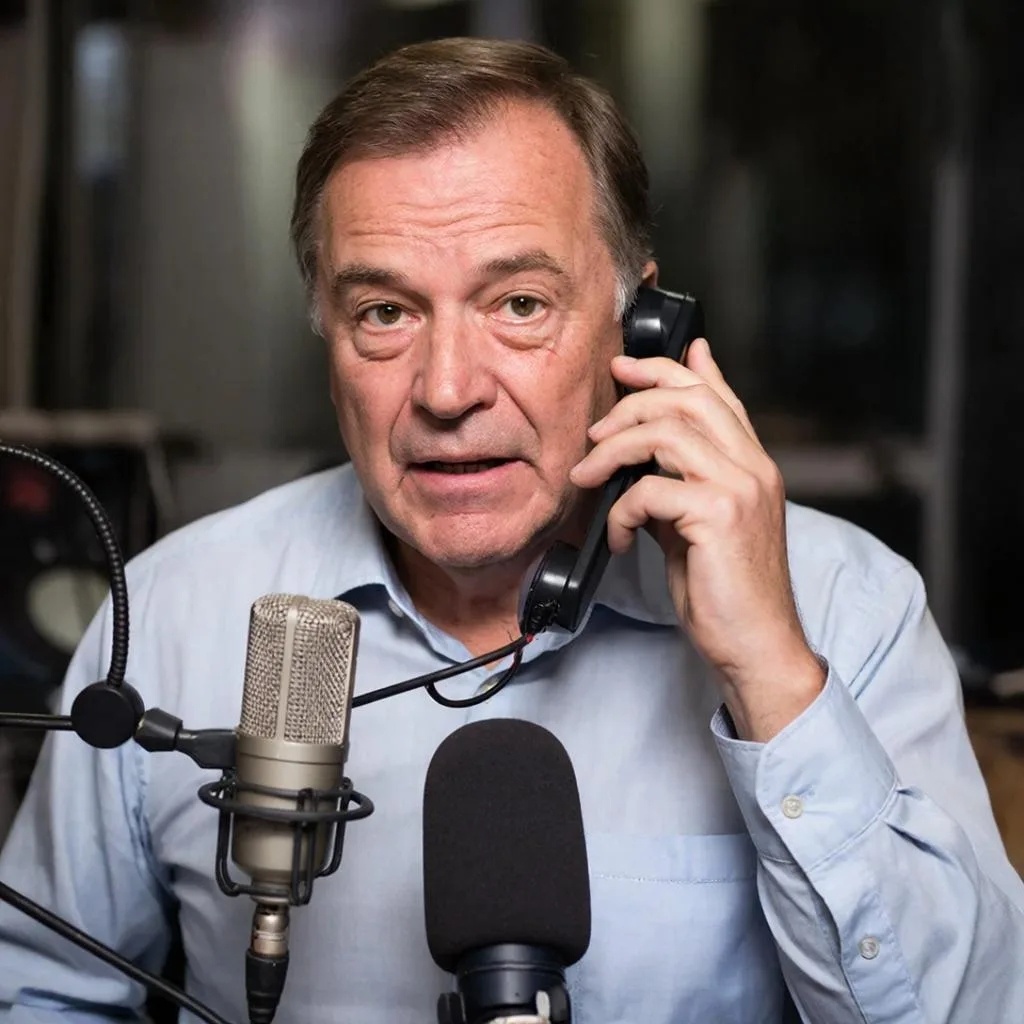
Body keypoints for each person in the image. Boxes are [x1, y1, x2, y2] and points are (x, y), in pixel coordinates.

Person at [1, 36, 1022, 1024]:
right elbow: (39, 994)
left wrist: (773, 679)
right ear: (326, 330)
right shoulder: (176, 617)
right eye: (385, 313)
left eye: (519, 303)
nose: (448, 390)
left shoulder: (842, 606)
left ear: (641, 325)